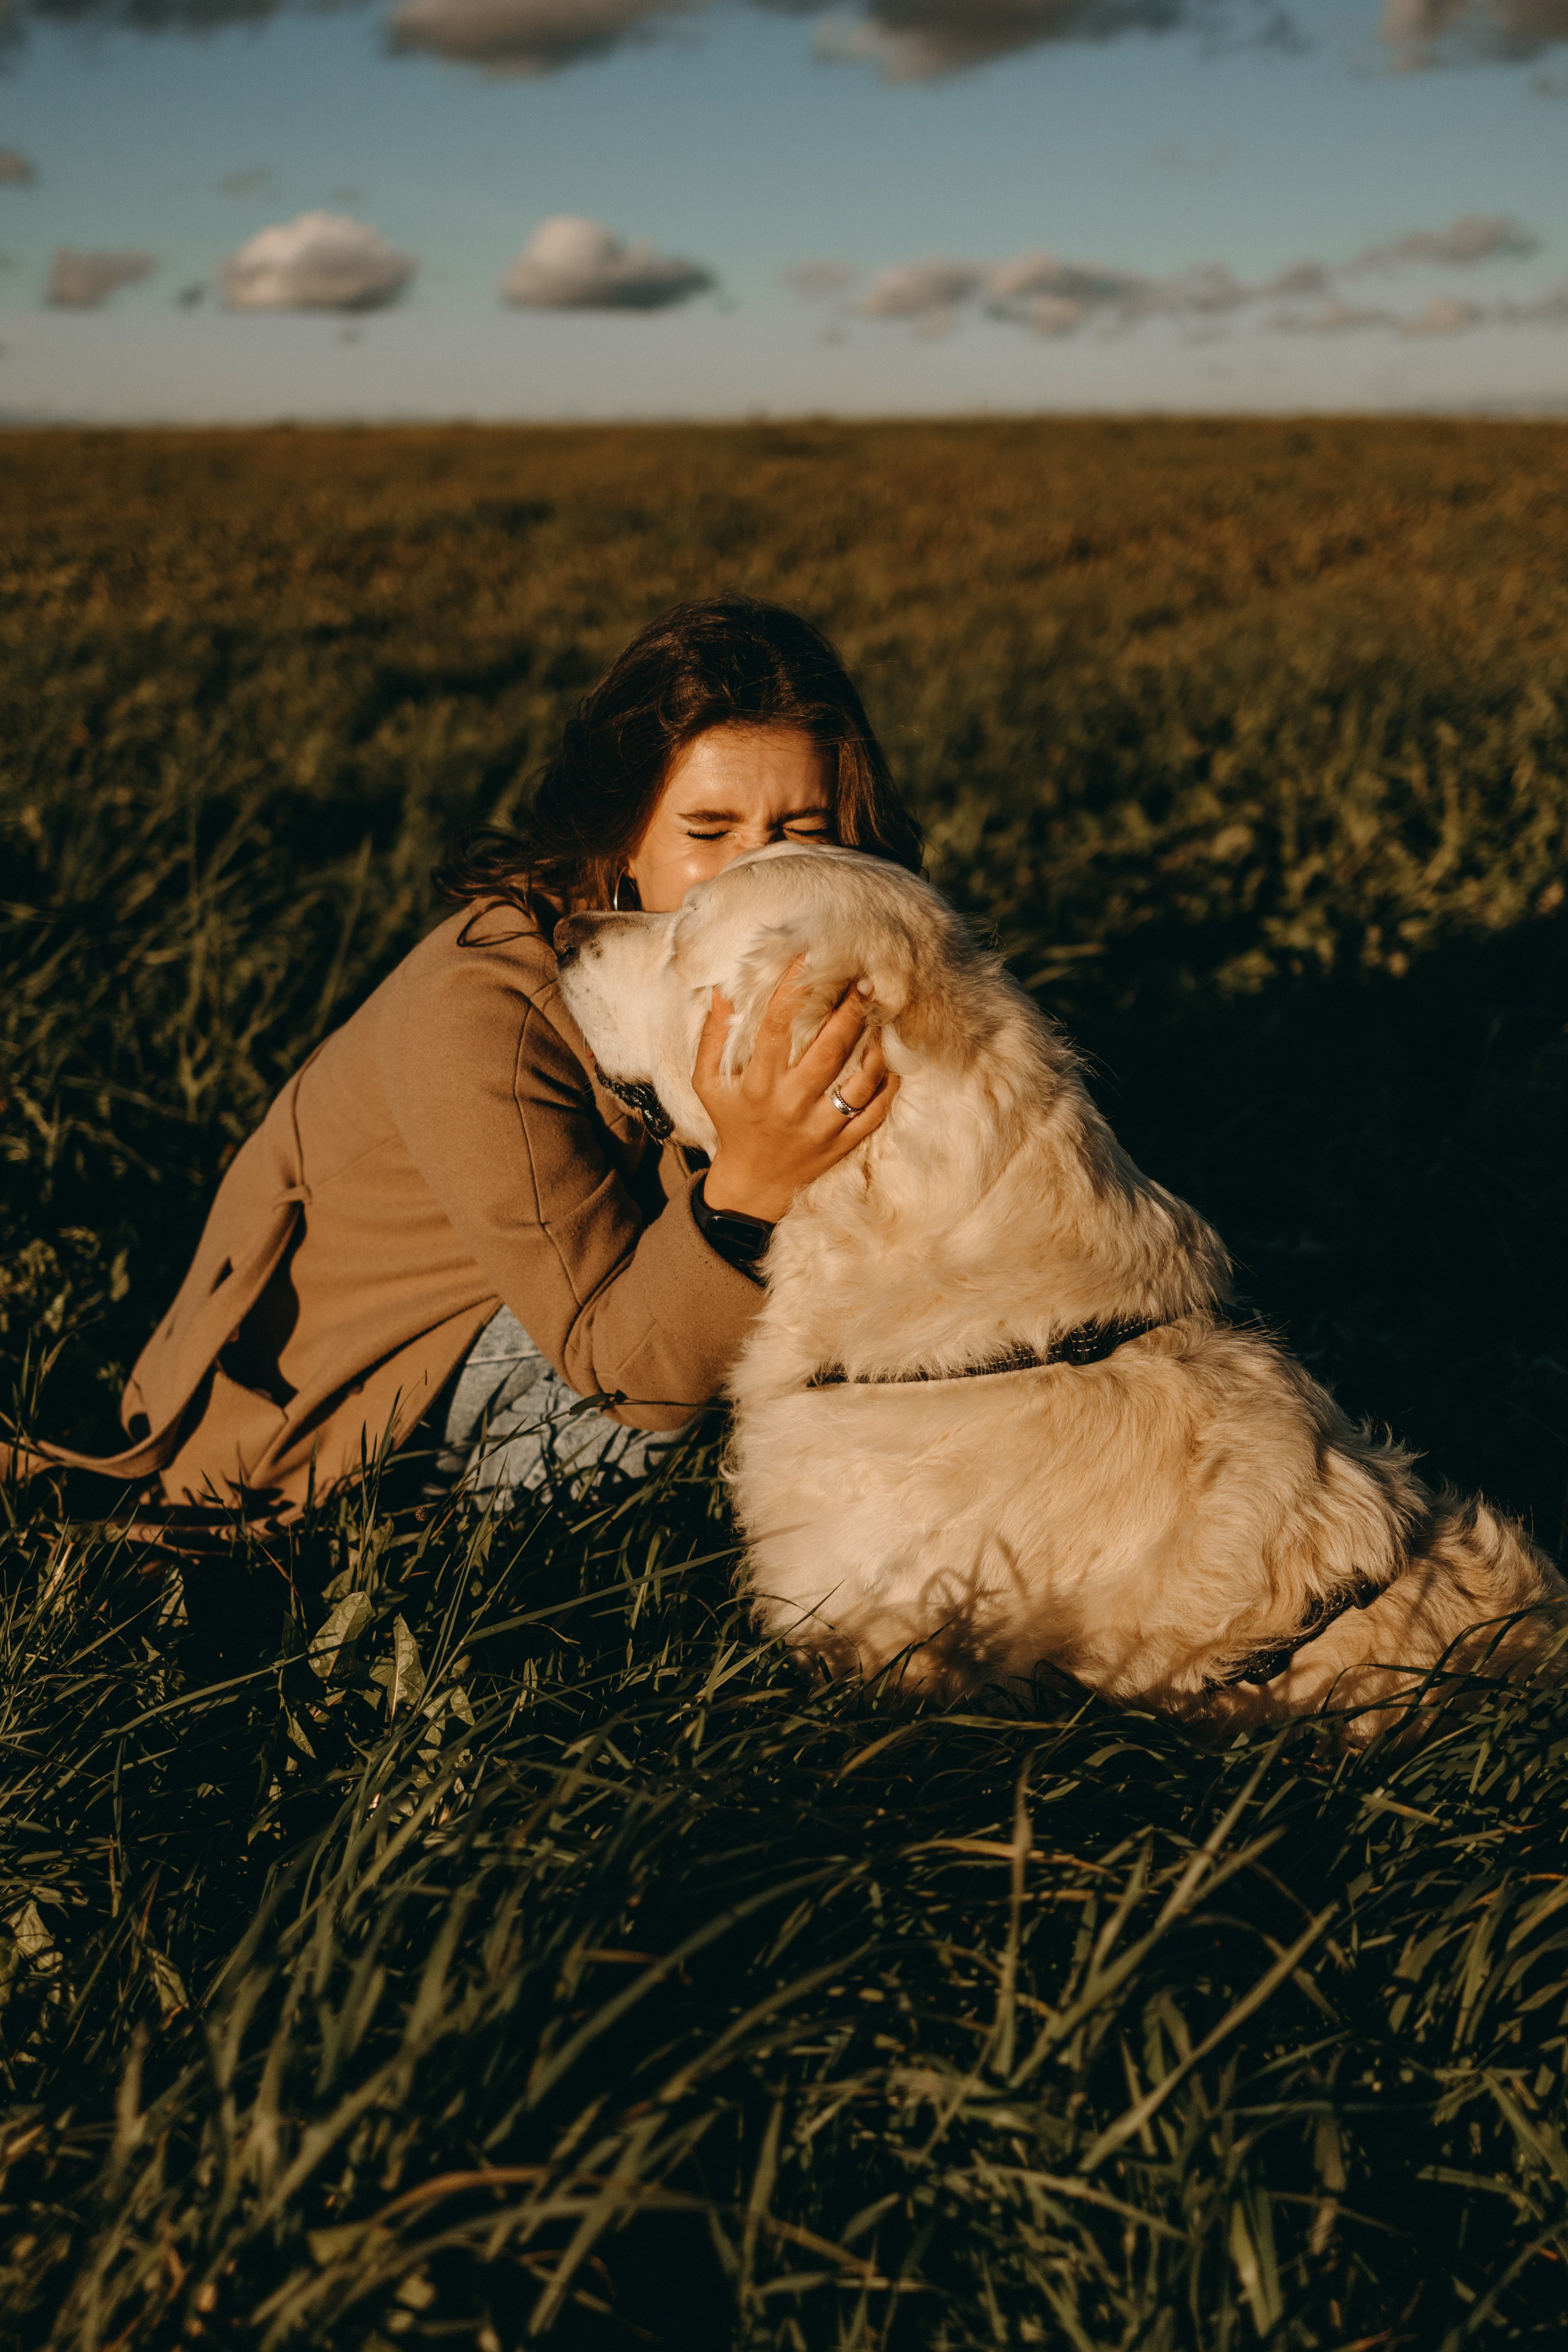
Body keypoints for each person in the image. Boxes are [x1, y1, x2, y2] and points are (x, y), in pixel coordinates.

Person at [12, 598, 923, 1518]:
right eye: (708, 830)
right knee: (726, 1326)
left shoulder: (816, 961)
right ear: (625, 835)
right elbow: (627, 1381)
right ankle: (489, 1546)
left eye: (801, 831)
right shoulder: (485, 1016)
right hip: (336, 1428)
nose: (754, 877)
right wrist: (751, 1187)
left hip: (574, 1306)